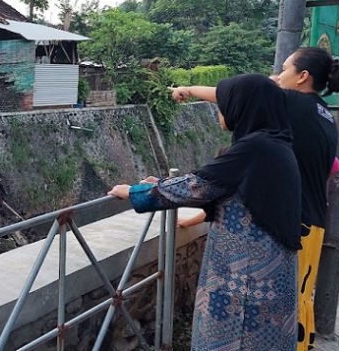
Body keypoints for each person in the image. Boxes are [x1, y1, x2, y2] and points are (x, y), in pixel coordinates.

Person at [171, 47, 339, 351]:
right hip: (313, 220)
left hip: (291, 222)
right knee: (300, 299)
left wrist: (186, 89)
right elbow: (333, 168)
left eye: (284, 69)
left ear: (302, 77)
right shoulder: (324, 115)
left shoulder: (290, 102)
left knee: (278, 311)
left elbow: (233, 92)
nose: (278, 76)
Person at [110, 74, 301, 350]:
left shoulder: (255, 147)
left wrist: (133, 193)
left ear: (242, 108)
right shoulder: (276, 144)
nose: (219, 111)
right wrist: (164, 184)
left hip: (244, 277)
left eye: (223, 104)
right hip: (265, 272)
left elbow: (199, 186)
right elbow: (228, 188)